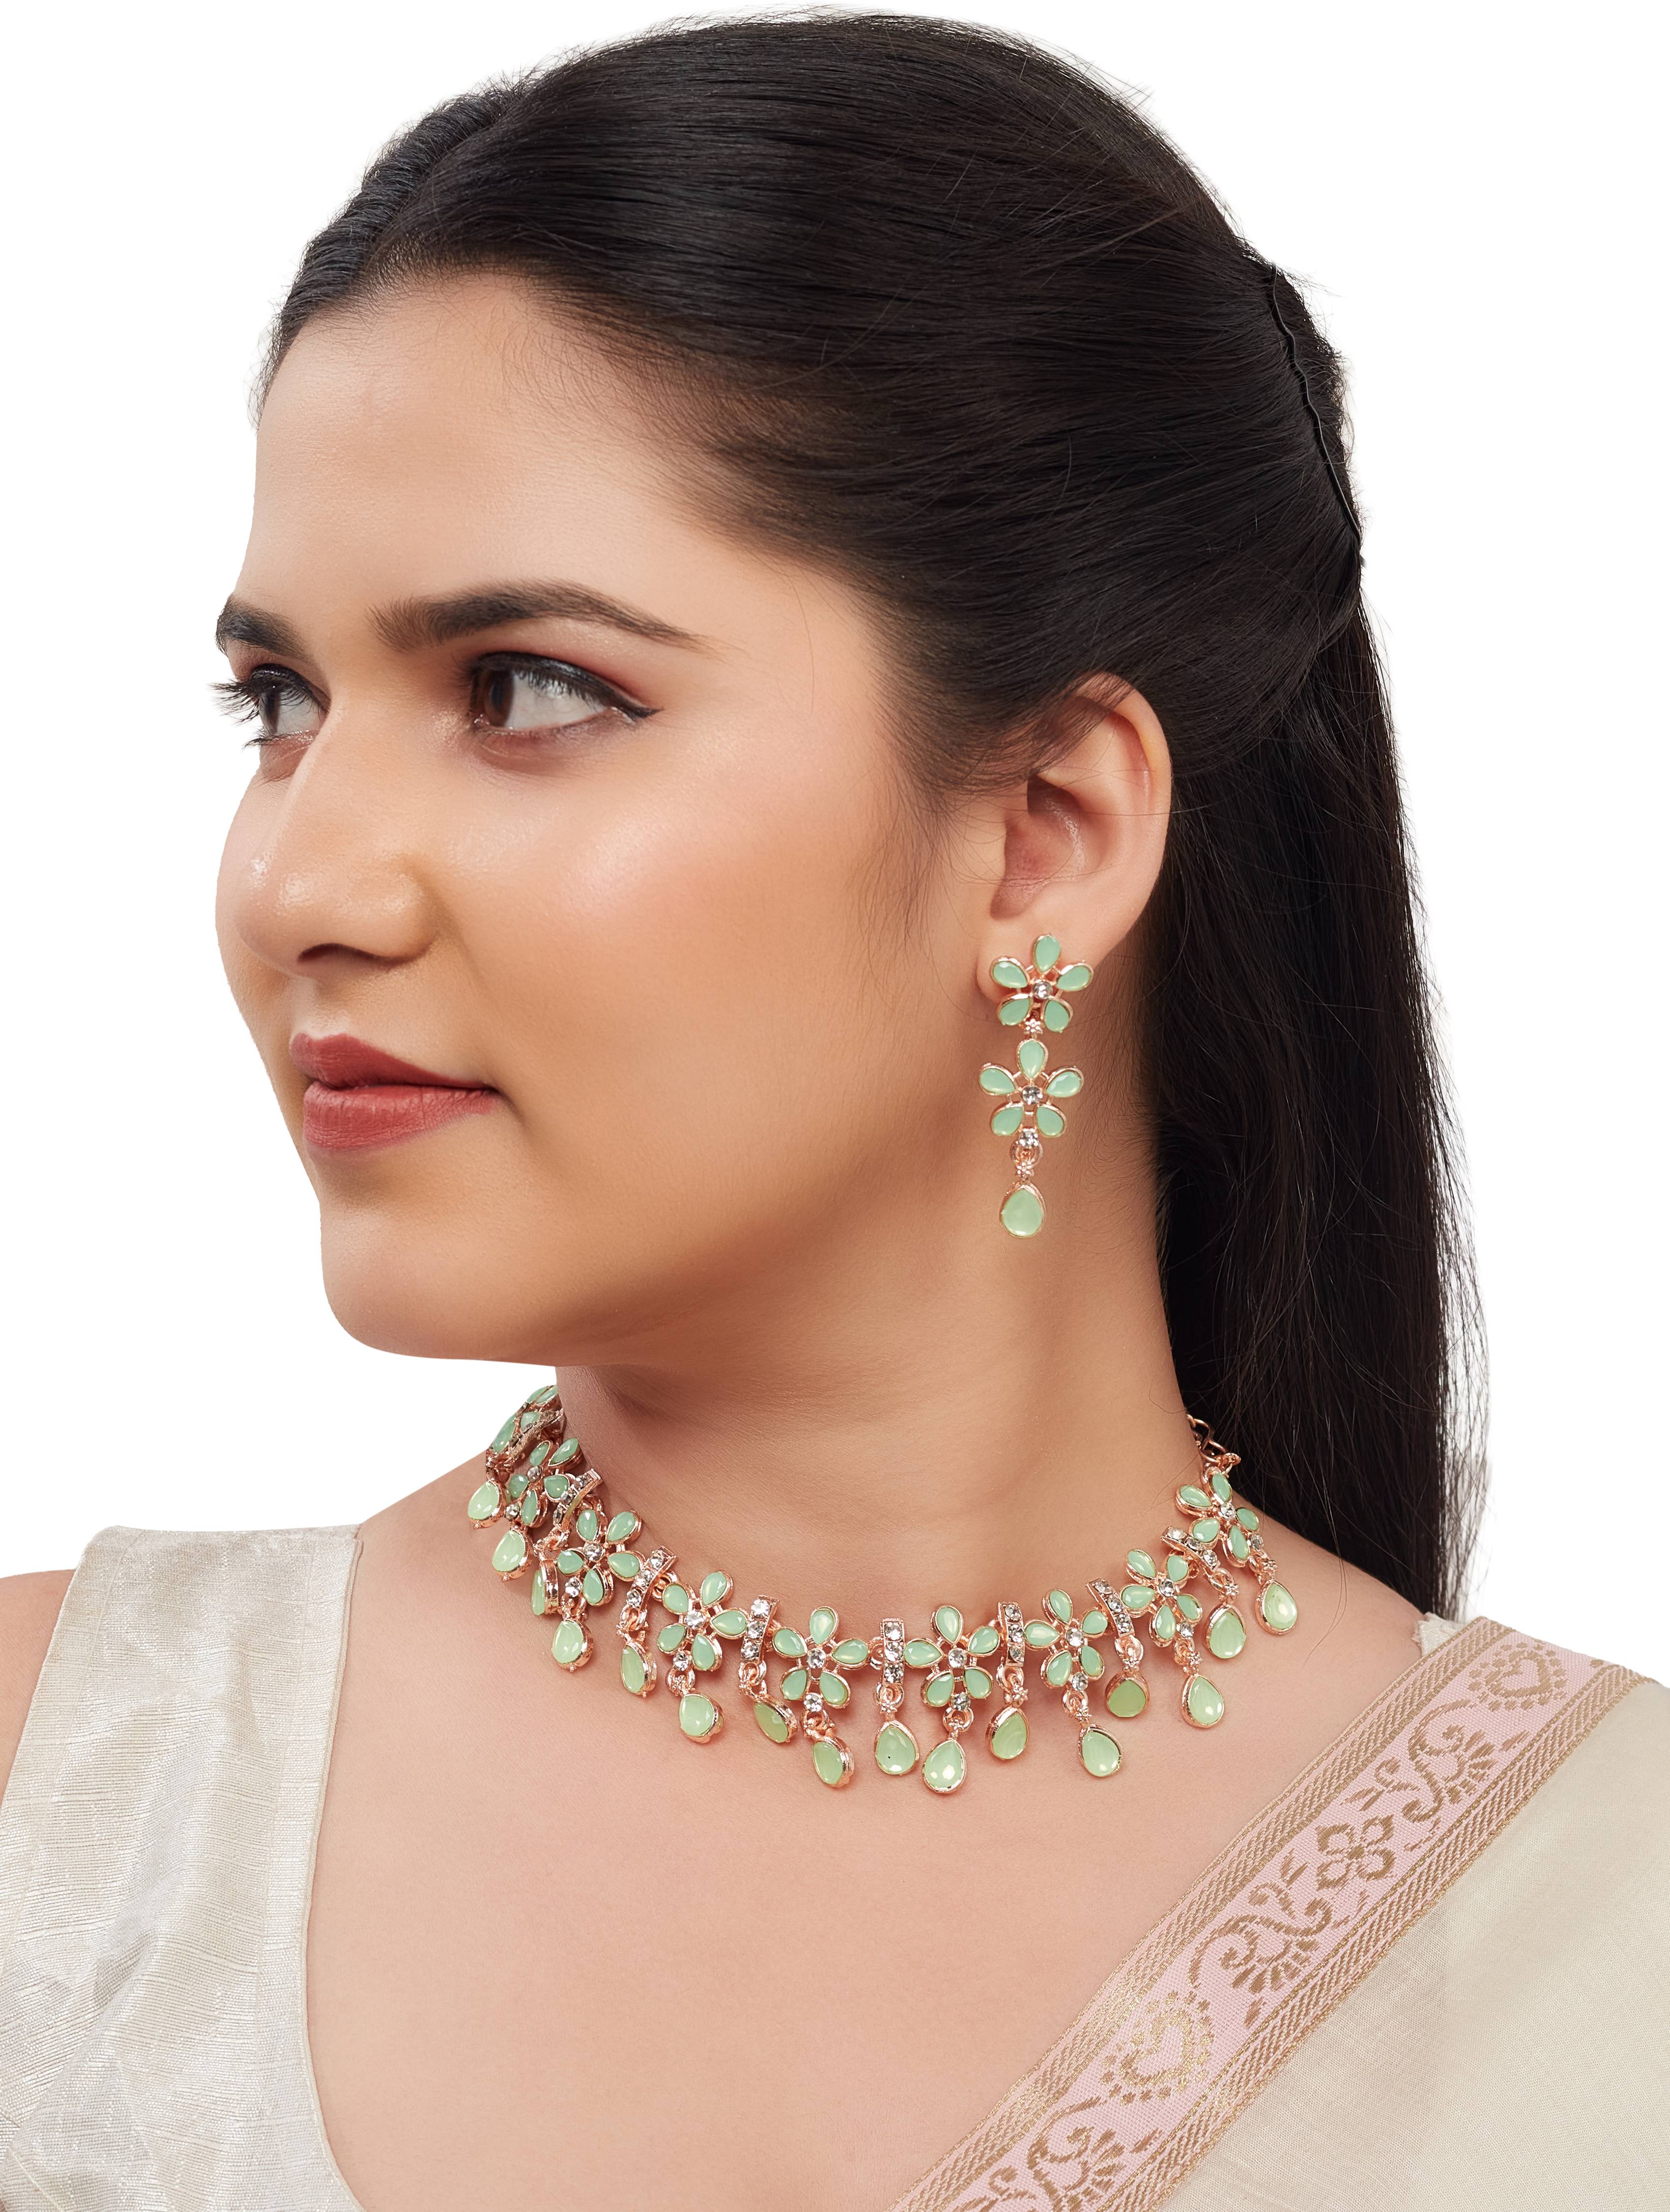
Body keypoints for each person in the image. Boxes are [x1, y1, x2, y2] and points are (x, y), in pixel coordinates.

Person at [0, 14, 1662, 2210]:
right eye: (280, 704)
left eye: (528, 690)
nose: (301, 882)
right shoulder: (64, 1803)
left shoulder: (1611, 1928)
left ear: (1047, 833)